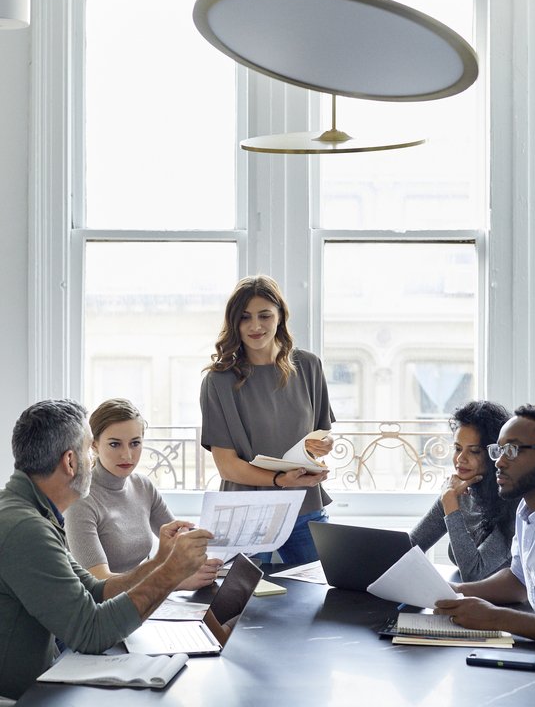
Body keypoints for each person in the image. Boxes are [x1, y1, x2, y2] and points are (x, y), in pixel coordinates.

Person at [0, 399, 212, 700]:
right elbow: (91, 633)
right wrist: (171, 573)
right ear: (70, 462)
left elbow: (96, 590)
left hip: (42, 682)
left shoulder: (31, 513)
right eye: (90, 449)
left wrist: (163, 562)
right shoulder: (25, 528)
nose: (94, 460)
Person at [435, 404, 535, 651]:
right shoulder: (528, 508)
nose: (499, 462)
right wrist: (458, 591)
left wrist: (496, 618)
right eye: (499, 450)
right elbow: (518, 580)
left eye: (512, 450)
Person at [200, 275, 334, 565]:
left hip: (305, 505)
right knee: (242, 604)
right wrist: (279, 480)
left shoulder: (309, 366)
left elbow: (320, 435)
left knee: (323, 598)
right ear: (234, 322)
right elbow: (227, 466)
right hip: (246, 513)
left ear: (281, 317)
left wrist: (321, 447)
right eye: (245, 317)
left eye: (265, 315)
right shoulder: (219, 381)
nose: (255, 326)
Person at [65, 398, 221, 588]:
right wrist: (173, 581)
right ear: (94, 445)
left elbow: (179, 542)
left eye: (135, 443)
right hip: (97, 608)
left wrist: (207, 557)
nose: (127, 455)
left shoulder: (142, 486)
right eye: (115, 444)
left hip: (137, 600)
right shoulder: (80, 501)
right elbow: (99, 582)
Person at [410, 400, 518, 581]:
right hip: (468, 598)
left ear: (495, 454)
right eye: (458, 449)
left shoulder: (513, 502)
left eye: (474, 451)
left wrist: (451, 506)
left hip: (506, 606)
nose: (461, 459)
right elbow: (411, 547)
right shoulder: (457, 492)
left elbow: (474, 574)